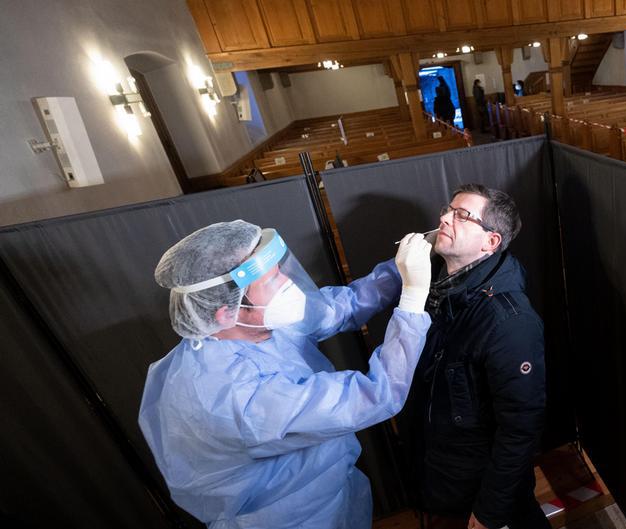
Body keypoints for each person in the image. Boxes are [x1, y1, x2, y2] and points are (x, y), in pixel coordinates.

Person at [138, 220, 433, 529]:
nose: (287, 286)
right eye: (270, 282)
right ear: (226, 312)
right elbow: (375, 395)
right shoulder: (234, 397)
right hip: (287, 519)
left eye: (279, 271)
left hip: (329, 493)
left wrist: (404, 266)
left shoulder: (253, 326)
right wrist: (413, 299)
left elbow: (337, 309)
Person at [401, 185, 550, 529]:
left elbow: (519, 430)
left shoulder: (509, 323)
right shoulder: (434, 282)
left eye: (462, 215)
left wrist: (488, 513)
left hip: (480, 492)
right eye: (448, 210)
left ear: (490, 242)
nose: (444, 218)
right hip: (441, 476)